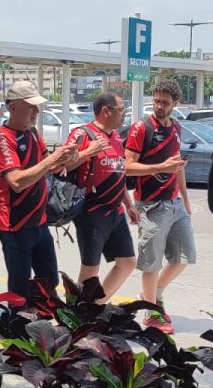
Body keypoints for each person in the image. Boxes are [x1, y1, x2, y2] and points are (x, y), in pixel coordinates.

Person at [0, 80, 78, 298]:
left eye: (36, 106)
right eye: (30, 106)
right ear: (12, 108)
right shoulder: (4, 137)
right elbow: (16, 181)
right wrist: (52, 162)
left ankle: (40, 323)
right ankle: (17, 329)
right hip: (15, 226)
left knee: (49, 280)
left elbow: (50, 165)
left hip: (39, 223)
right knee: (19, 289)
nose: (36, 111)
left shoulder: (31, 133)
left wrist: (68, 157)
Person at [124, 79, 193, 332]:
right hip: (151, 204)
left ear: (176, 104)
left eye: (165, 102)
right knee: (151, 262)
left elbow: (177, 166)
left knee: (183, 257)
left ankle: (153, 294)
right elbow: (127, 165)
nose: (159, 106)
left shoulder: (176, 128)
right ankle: (152, 313)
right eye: (156, 100)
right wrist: (159, 168)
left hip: (174, 202)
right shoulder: (141, 128)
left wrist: (185, 198)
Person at [66, 90, 138, 303]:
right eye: (120, 110)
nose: (124, 114)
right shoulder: (82, 134)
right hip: (92, 211)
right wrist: (88, 152)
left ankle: (94, 305)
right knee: (90, 268)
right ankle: (75, 311)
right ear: (105, 111)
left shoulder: (116, 137)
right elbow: (63, 163)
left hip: (115, 211)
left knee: (127, 262)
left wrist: (129, 204)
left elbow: (118, 172)